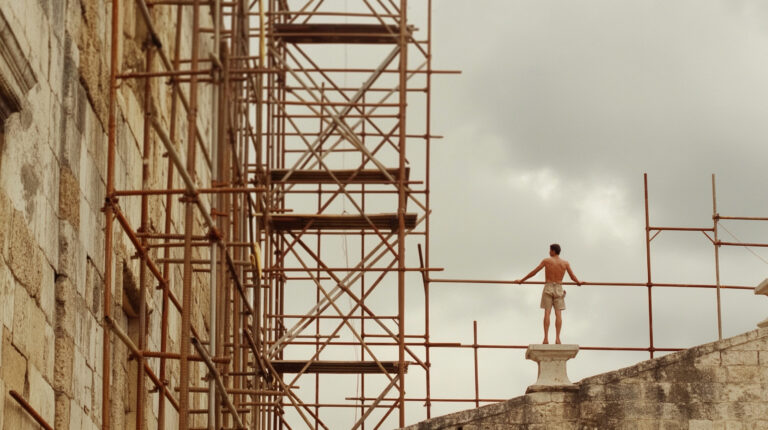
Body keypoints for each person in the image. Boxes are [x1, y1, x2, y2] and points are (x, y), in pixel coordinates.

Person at [514, 244, 582, 344]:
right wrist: (578, 282)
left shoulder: (547, 261)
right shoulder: (565, 263)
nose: (549, 252)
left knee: (547, 312)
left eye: (550, 250)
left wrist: (522, 280)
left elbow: (535, 271)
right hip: (559, 287)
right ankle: (558, 338)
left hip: (549, 286)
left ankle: (546, 338)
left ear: (553, 251)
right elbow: (572, 277)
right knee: (558, 314)